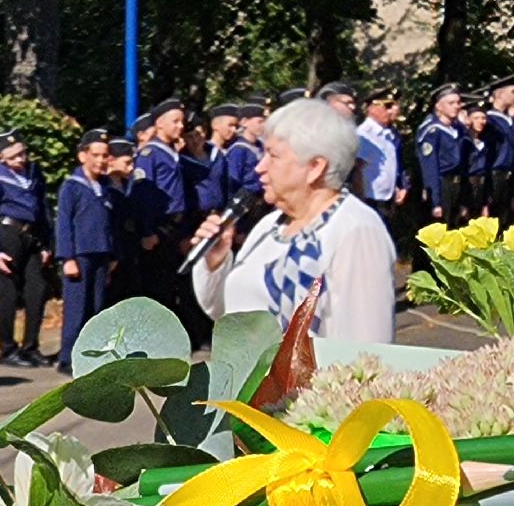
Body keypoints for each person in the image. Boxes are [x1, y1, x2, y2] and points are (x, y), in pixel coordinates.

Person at [191, 99, 396, 344]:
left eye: (273, 156)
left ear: (315, 167)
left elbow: (364, 349)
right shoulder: (270, 225)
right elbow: (230, 314)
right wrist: (215, 263)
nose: (260, 168)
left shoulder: (357, 230)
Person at [0, 129, 57, 368]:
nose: (20, 159)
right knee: (9, 295)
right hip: (10, 235)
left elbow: (43, 208)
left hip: (33, 236)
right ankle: (7, 350)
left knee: (37, 290)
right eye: (14, 156)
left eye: (23, 153)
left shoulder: (34, 172)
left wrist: (47, 243)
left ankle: (30, 346)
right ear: (2, 158)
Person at [54, 131, 117, 374]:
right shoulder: (72, 187)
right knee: (77, 308)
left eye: (105, 155)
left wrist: (112, 255)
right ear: (83, 156)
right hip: (80, 256)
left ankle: (93, 356)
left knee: (97, 307)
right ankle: (68, 357)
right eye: (96, 155)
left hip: (101, 253)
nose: (101, 160)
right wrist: (67, 258)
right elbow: (64, 224)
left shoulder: (105, 186)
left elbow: (109, 224)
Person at [132, 100, 188, 320]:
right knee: (158, 286)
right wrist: (148, 231)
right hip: (160, 227)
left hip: (176, 226)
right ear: (159, 124)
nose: (180, 126)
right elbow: (143, 195)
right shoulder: (150, 154)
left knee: (173, 285)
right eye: (175, 121)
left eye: (182, 121)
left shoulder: (172, 151)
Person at [354, 87, 409, 229]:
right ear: (372, 108)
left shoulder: (389, 134)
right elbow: (357, 170)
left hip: (388, 198)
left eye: (394, 106)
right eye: (387, 106)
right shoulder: (364, 135)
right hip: (370, 200)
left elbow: (392, 165)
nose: (392, 111)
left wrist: (399, 185)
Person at [417, 83, 466, 227]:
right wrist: (435, 201)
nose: (456, 106)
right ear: (439, 106)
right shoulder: (432, 131)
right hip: (442, 184)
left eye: (458, 102)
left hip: (457, 185)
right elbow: (430, 168)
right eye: (451, 103)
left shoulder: (457, 129)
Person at [106, 138, 141, 304]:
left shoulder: (130, 185)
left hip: (130, 250)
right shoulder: (103, 188)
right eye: (127, 162)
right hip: (113, 251)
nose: (131, 167)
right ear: (111, 160)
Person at [481, 74, 514, 228]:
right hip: (494, 176)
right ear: (500, 94)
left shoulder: (510, 122)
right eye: (513, 91)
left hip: (511, 177)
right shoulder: (488, 120)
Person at [462, 101, 490, 219]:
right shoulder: (463, 141)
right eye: (476, 118)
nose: (481, 121)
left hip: (482, 187)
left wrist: (485, 202)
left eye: (483, 118)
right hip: (467, 187)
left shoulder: (485, 143)